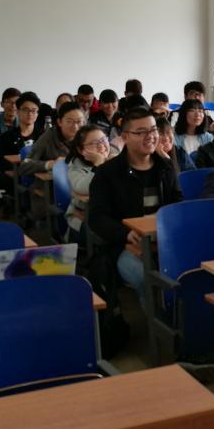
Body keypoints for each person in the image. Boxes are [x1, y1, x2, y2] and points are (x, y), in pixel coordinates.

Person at [87, 107, 184, 305]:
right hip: (123, 245)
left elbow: (178, 204)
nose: (150, 136)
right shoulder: (107, 173)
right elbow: (97, 218)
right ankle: (157, 320)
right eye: (141, 132)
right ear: (125, 137)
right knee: (144, 276)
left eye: (153, 130)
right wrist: (125, 233)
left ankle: (181, 316)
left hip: (164, 240)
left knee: (190, 270)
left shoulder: (165, 167)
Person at [65, 124, 111, 244]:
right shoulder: (75, 167)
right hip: (82, 219)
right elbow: (84, 188)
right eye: (94, 143)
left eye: (103, 140)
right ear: (81, 150)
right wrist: (98, 164)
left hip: (109, 217)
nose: (101, 146)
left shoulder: (114, 160)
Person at [0, 91, 42, 192]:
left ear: (37, 113)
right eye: (25, 109)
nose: (30, 114)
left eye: (34, 110)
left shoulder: (44, 136)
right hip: (17, 180)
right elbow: (5, 169)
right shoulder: (5, 138)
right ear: (18, 111)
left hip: (41, 177)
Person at [22, 100, 85, 175]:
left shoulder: (88, 135)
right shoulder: (48, 137)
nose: (75, 126)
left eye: (79, 121)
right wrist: (51, 164)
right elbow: (25, 166)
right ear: (59, 122)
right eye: (69, 121)